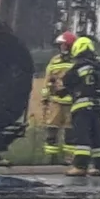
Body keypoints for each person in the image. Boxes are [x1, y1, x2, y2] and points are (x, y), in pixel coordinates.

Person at [56, 36, 100, 177]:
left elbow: (68, 80)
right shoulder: (99, 65)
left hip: (82, 106)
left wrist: (59, 90)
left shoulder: (80, 64)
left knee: (82, 137)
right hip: (98, 105)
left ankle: (80, 166)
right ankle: (99, 166)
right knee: (97, 136)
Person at [40, 31, 77, 165]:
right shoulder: (54, 61)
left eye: (64, 45)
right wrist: (45, 98)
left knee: (70, 132)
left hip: (72, 102)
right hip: (55, 102)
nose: (62, 48)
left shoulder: (77, 60)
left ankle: (70, 159)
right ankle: (50, 158)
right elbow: (47, 79)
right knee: (52, 129)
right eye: (60, 45)